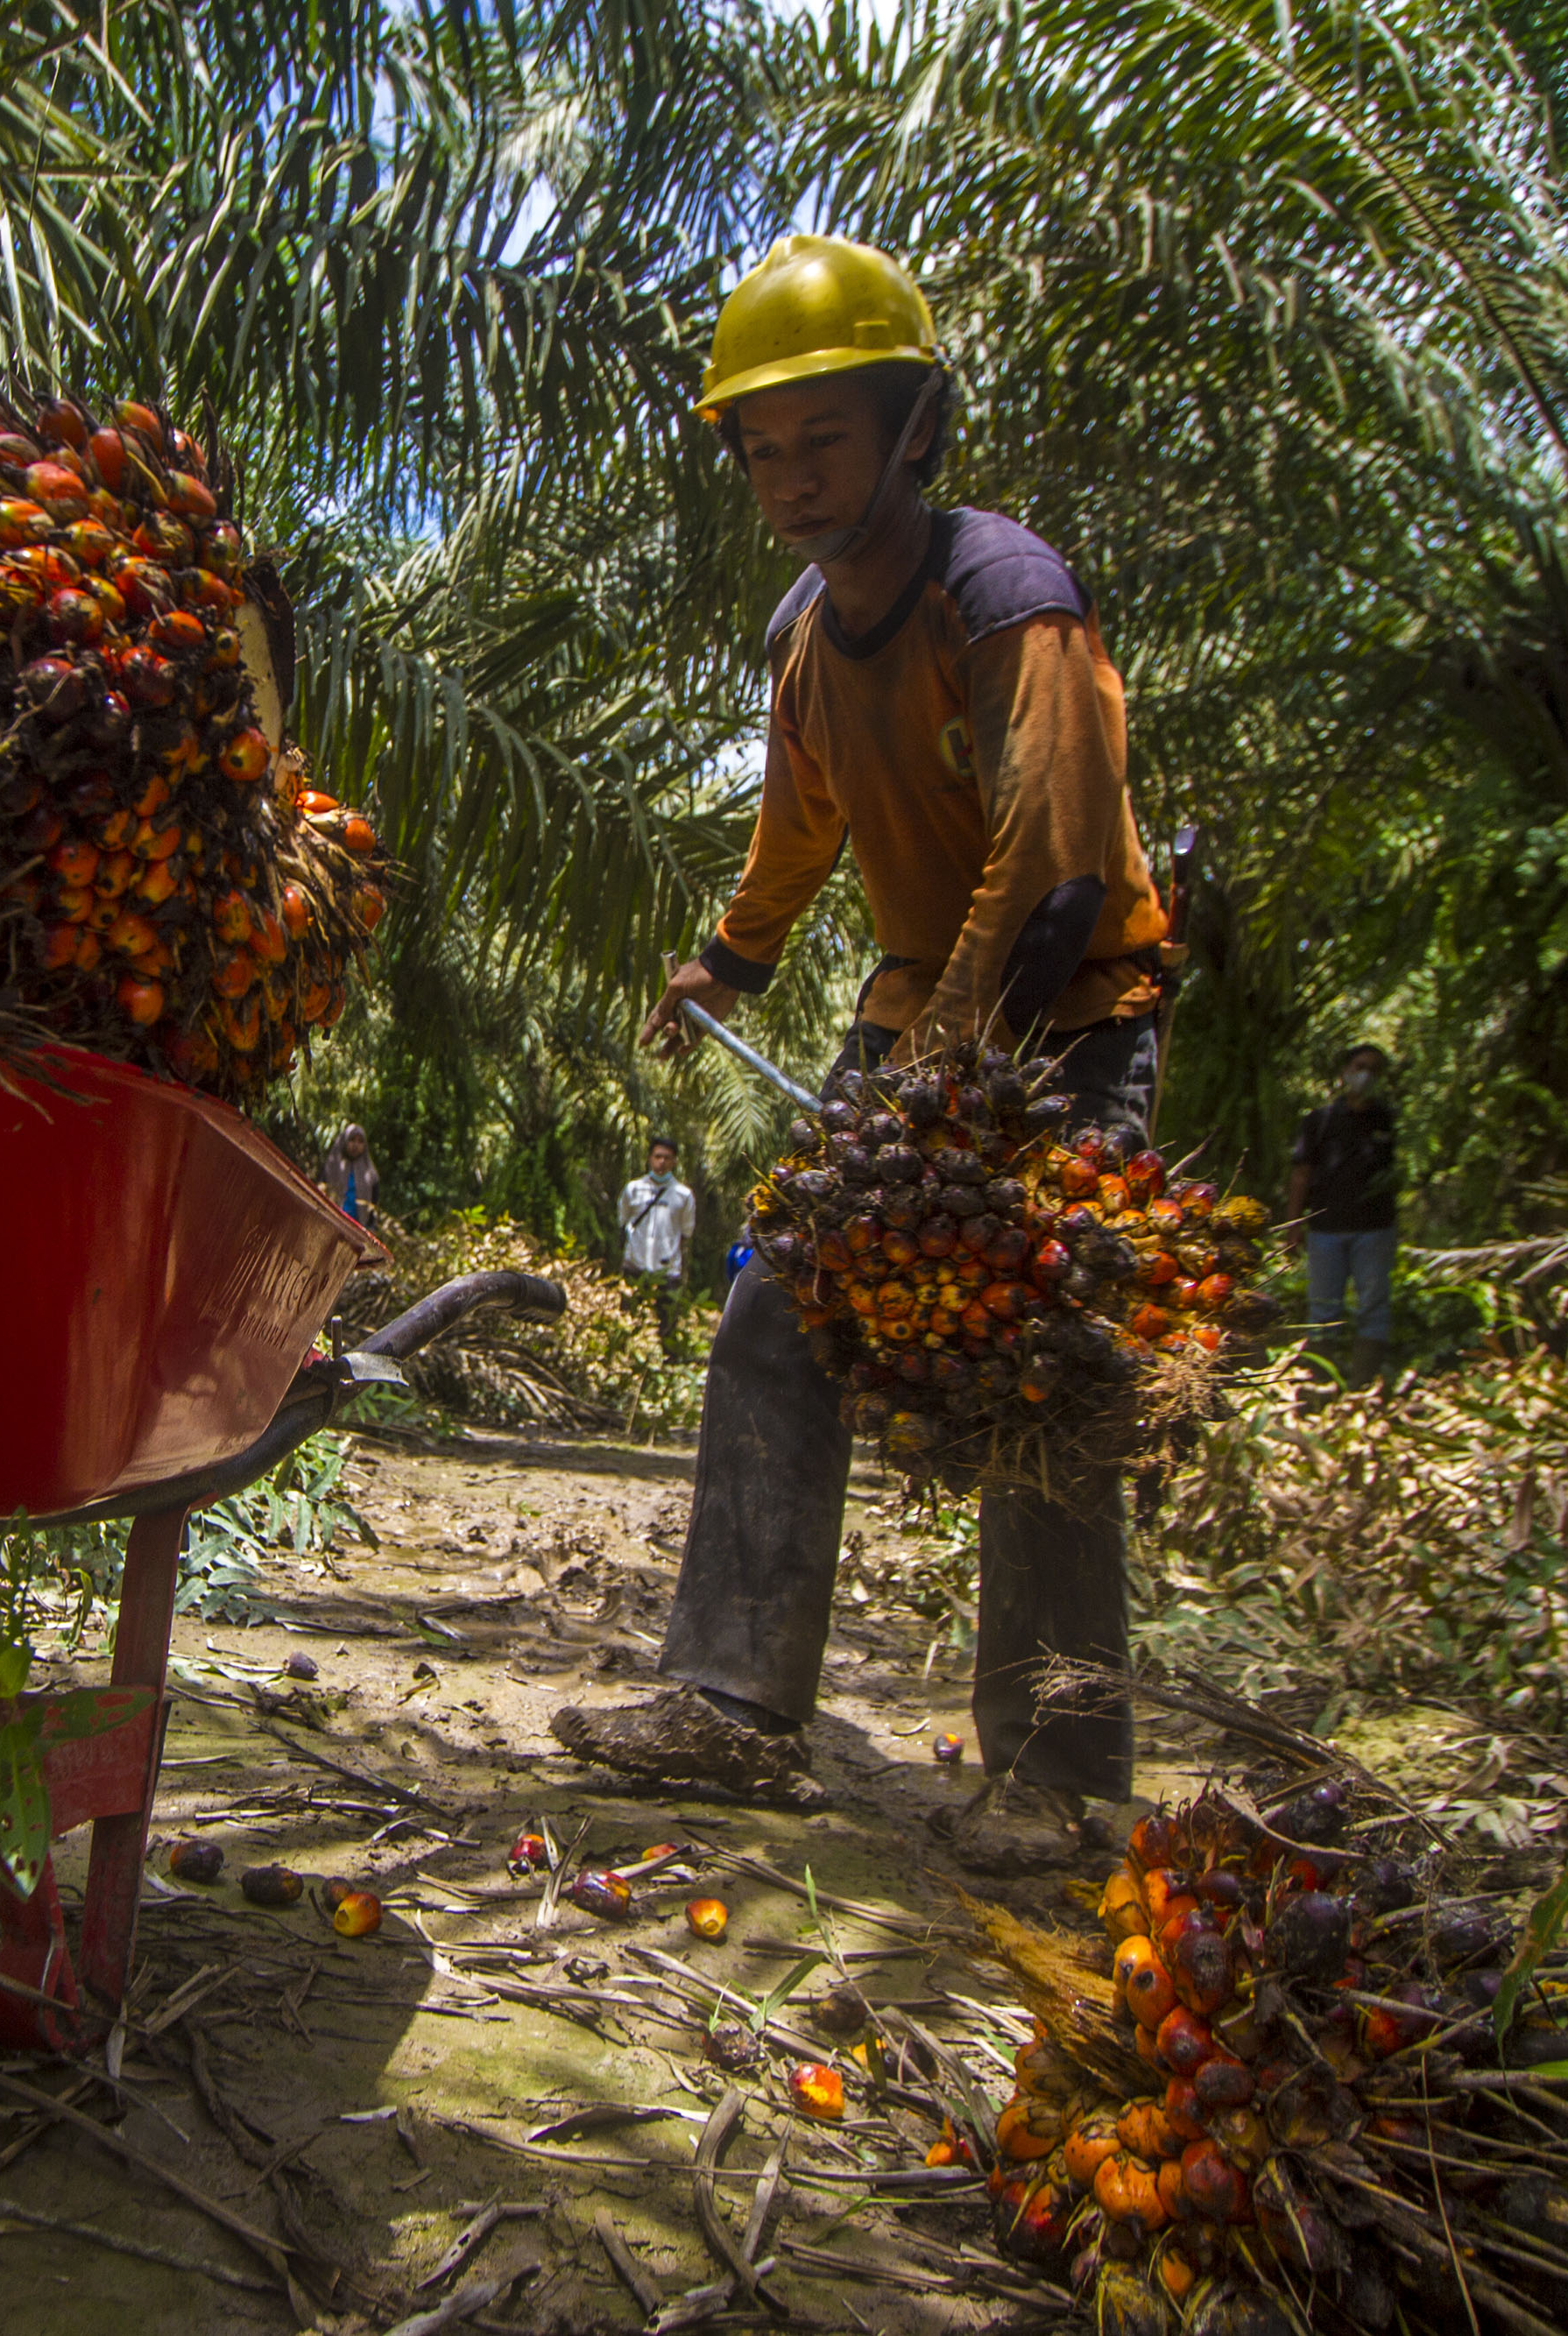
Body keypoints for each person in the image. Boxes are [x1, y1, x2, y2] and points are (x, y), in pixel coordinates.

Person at [554, 236, 1170, 1839]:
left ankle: (1060, 1775)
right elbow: (799, 822)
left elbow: (1055, 865)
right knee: (777, 1310)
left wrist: (949, 1069)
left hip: (1070, 1021)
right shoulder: (806, 636)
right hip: (918, 1019)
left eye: (823, 436)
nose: (789, 475)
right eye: (762, 447)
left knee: (1045, 1374)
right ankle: (732, 1700)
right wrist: (729, 962)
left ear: (912, 430)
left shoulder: (1010, 601)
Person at [1287, 1046, 1400, 1383]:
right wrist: (1294, 1226)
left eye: (1374, 1070)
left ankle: (1364, 1385)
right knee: (1323, 1309)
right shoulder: (1319, 1121)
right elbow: (1300, 1174)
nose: (1366, 1075)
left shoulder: (1389, 1120)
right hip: (1326, 1230)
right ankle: (1319, 1384)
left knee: (1374, 1306)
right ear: (1345, 1071)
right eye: (1360, 1066)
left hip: (1375, 1230)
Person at [621, 1135, 696, 1350]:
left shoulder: (683, 1195)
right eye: (658, 1156)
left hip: (667, 1270)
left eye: (667, 1158)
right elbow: (623, 1218)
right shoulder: (633, 1189)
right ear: (649, 1158)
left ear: (674, 1162)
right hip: (635, 1265)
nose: (661, 1162)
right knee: (627, 1320)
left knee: (666, 1324)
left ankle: (667, 1362)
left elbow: (686, 1231)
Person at [319, 1124, 380, 1224]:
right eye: (352, 1140)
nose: (356, 1145)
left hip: (357, 1229)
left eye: (360, 1141)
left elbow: (373, 1207)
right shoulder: (332, 1166)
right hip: (330, 1221)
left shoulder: (371, 1174)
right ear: (345, 1141)